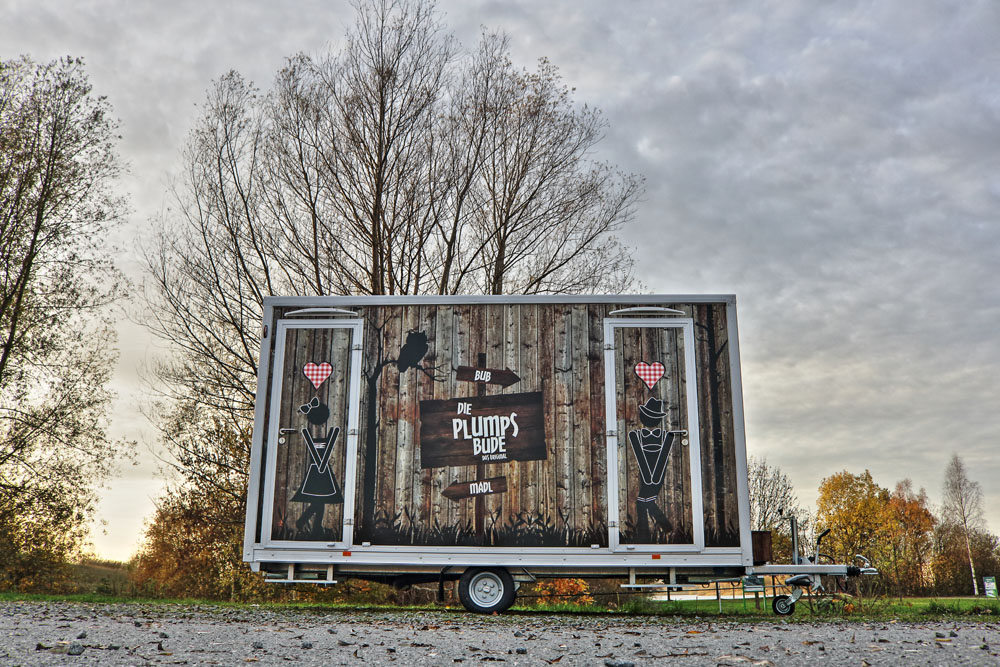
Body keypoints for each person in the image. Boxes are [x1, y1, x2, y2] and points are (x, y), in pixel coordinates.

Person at [627, 396, 680, 542]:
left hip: (658, 472)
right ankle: (665, 526)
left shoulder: (665, 436)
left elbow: (663, 457)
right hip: (645, 472)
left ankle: (646, 533)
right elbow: (639, 455)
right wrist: (647, 476)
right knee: (644, 501)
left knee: (642, 501)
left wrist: (654, 477)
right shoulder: (635, 435)